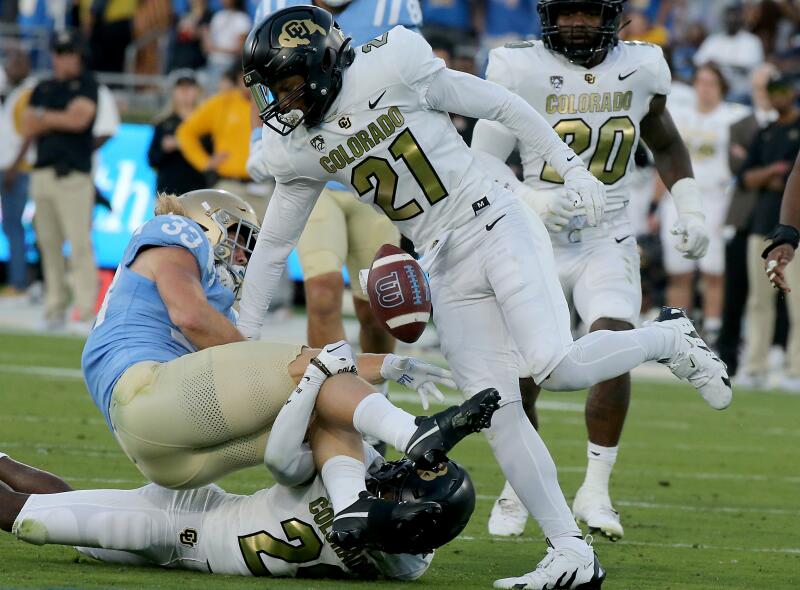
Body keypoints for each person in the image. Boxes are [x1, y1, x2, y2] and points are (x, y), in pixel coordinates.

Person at [238, 7, 731, 588]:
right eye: (271, 89)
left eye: (288, 85)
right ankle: (571, 552)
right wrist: (241, 331)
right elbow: (274, 245)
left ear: (319, 66)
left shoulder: (392, 63)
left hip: (495, 219)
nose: (281, 102)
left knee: (555, 366)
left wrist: (570, 169)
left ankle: (670, 337)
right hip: (441, 260)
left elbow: (501, 106)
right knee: (498, 411)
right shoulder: (297, 146)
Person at [81, 187, 496, 544]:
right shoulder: (175, 231)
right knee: (314, 376)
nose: (242, 257)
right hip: (146, 392)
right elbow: (191, 317)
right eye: (240, 240)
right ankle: (413, 432)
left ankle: (352, 505)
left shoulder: (209, 294)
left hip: (167, 454)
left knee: (320, 410)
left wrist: (385, 364)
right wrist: (378, 365)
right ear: (207, 222)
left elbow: (290, 373)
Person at [470, 0, 722, 543]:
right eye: (566, 13)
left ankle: (596, 487)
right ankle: (519, 487)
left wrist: (692, 206)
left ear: (612, 14)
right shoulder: (518, 67)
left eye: (588, 12)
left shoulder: (643, 66)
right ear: (546, 16)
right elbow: (483, 159)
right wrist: (530, 199)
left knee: (613, 340)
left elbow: (666, 140)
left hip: (607, 231)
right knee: (523, 368)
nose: (576, 23)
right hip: (533, 234)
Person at [246, 0, 422, 401]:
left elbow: (414, 80)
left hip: (371, 169)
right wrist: (265, 143)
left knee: (376, 307)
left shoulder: (390, 7)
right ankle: (331, 403)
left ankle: (377, 403)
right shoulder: (277, 7)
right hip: (314, 166)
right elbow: (264, 80)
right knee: (323, 293)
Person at [0, 443, 474, 577]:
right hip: (181, 521)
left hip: (188, 547)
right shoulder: (349, 467)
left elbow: (396, 542)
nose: (388, 480)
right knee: (30, 519)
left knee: (69, 517)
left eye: (399, 492)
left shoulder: (406, 562)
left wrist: (390, 519)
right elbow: (325, 438)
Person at [659, 63, 748, 345]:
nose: (705, 88)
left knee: (714, 271)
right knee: (678, 270)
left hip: (716, 196)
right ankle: (677, 331)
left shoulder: (734, 117)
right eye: (701, 82)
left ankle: (712, 329)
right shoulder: (680, 115)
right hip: (679, 197)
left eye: (711, 83)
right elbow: (663, 158)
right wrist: (654, 202)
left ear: (721, 87)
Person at [22, 30, 99, 331]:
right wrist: (61, 116)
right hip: (42, 174)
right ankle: (54, 308)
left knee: (79, 244)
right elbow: (27, 124)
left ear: (77, 57)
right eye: (59, 53)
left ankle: (86, 311)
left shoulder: (88, 85)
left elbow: (80, 119)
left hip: (74, 177)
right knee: (47, 243)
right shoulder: (42, 87)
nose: (62, 59)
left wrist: (46, 117)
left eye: (68, 53)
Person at [738, 72, 800, 391]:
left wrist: (773, 175)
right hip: (763, 224)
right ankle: (755, 365)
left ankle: (796, 369)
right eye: (771, 91)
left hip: (795, 228)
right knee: (758, 299)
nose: (777, 97)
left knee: (798, 300)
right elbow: (746, 177)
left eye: (782, 90)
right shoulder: (764, 132)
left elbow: (788, 176)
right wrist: (770, 174)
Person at [717, 64, 778, 377]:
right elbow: (739, 172)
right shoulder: (739, 125)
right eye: (758, 87)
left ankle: (773, 353)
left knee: (776, 292)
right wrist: (771, 170)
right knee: (736, 291)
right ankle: (729, 358)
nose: (763, 94)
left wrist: (758, 170)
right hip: (743, 218)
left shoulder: (789, 125)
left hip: (777, 217)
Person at [176, 63, 263, 218]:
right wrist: (205, 162)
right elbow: (185, 132)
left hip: (266, 187)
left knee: (266, 240)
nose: (251, 81)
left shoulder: (275, 101)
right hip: (230, 185)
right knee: (226, 238)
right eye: (246, 75)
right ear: (237, 78)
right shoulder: (222, 103)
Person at [0, 48, 35, 296]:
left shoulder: (28, 93)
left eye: (19, 61)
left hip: (16, 169)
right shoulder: (8, 91)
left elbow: (28, 134)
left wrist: (14, 166)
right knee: (11, 225)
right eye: (12, 61)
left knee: (13, 225)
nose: (13, 66)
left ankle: (19, 281)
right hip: (7, 165)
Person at [148, 70, 207, 195]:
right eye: (180, 87)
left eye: (189, 87)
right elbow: (152, 159)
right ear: (173, 92)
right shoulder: (163, 123)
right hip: (169, 192)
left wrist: (187, 143)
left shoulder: (207, 123)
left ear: (198, 91)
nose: (185, 92)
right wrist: (164, 149)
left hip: (199, 192)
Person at [693, 3, 764, 103]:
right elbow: (697, 62)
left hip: (739, 91)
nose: (731, 20)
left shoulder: (752, 41)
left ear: (741, 19)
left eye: (735, 17)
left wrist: (719, 65)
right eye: (728, 17)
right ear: (723, 20)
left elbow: (749, 68)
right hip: (712, 87)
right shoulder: (713, 40)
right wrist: (709, 65)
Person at [203, 0, 252, 89]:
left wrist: (216, 48)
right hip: (212, 63)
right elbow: (207, 46)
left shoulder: (242, 18)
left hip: (230, 64)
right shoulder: (217, 16)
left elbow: (240, 49)